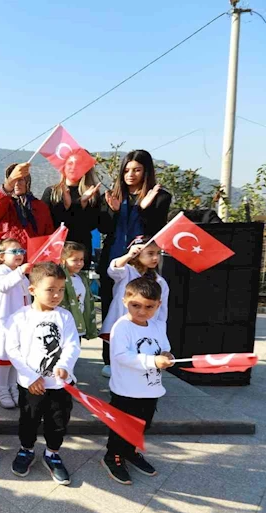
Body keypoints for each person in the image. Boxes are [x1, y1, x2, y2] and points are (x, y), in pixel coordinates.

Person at [5, 262, 81, 486]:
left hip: (58, 385)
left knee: (58, 421)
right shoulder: (19, 318)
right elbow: (13, 350)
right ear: (32, 290)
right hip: (31, 386)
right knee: (28, 419)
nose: (56, 295)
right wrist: (30, 377)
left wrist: (65, 365)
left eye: (60, 289)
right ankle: (26, 450)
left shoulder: (65, 317)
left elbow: (72, 345)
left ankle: (52, 454)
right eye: (50, 289)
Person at [98, 150, 171, 374]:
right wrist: (113, 211)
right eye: (127, 169)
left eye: (137, 170)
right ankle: (110, 359)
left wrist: (144, 208)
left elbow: (156, 230)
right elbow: (103, 229)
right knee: (113, 308)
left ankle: (140, 354)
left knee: (142, 306)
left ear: (146, 171)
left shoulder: (160, 196)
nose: (130, 174)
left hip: (142, 263)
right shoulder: (113, 195)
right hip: (115, 260)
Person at [102, 277, 175, 485]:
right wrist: (153, 360)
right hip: (126, 390)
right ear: (125, 301)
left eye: (149, 307)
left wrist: (167, 356)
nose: (142, 312)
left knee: (143, 425)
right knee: (121, 426)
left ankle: (130, 451)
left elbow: (165, 347)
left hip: (151, 389)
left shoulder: (157, 325)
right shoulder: (122, 326)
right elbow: (121, 356)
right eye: (136, 305)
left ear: (158, 305)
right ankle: (113, 456)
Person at [100, 237, 169, 377]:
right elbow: (114, 269)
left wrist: (160, 332)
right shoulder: (127, 272)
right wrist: (128, 255)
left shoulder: (160, 282)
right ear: (137, 253)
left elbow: (162, 313)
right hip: (125, 323)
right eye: (150, 253)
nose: (156, 257)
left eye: (158, 253)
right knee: (120, 354)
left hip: (146, 327)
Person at [0, 238, 32, 409]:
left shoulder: (22, 276)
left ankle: (14, 387)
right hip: (5, 324)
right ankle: (2, 388)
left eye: (21, 251)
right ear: (1, 257)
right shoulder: (0, 272)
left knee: (17, 357)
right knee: (3, 356)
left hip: (22, 324)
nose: (19, 254)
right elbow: (4, 286)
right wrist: (21, 271)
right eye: (14, 251)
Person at [41, 153, 102, 268]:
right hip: (55, 250)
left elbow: (91, 225)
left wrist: (81, 203)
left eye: (78, 164)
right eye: (70, 163)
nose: (73, 167)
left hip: (80, 254)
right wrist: (70, 207)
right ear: (63, 166)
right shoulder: (52, 192)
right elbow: (47, 224)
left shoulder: (92, 194)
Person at [0, 162, 54, 268]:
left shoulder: (40, 206)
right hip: (9, 262)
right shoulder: (4, 203)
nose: (16, 184)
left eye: (20, 180)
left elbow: (48, 234)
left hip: (34, 262)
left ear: (27, 182)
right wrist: (9, 183)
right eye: (13, 181)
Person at [59, 241, 98, 340]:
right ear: (63, 260)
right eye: (75, 260)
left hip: (78, 324)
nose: (79, 263)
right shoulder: (58, 278)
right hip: (63, 324)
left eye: (81, 259)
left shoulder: (82, 278)